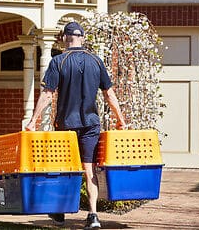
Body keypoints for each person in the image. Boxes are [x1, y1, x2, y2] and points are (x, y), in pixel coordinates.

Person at [25, 21, 126, 229]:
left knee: (64, 168)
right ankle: (93, 216)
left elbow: (47, 94)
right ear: (83, 38)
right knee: (89, 169)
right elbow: (109, 94)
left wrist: (33, 120)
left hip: (66, 126)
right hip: (91, 124)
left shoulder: (58, 61)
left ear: (64, 38)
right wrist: (121, 119)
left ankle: (60, 212)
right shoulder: (96, 61)